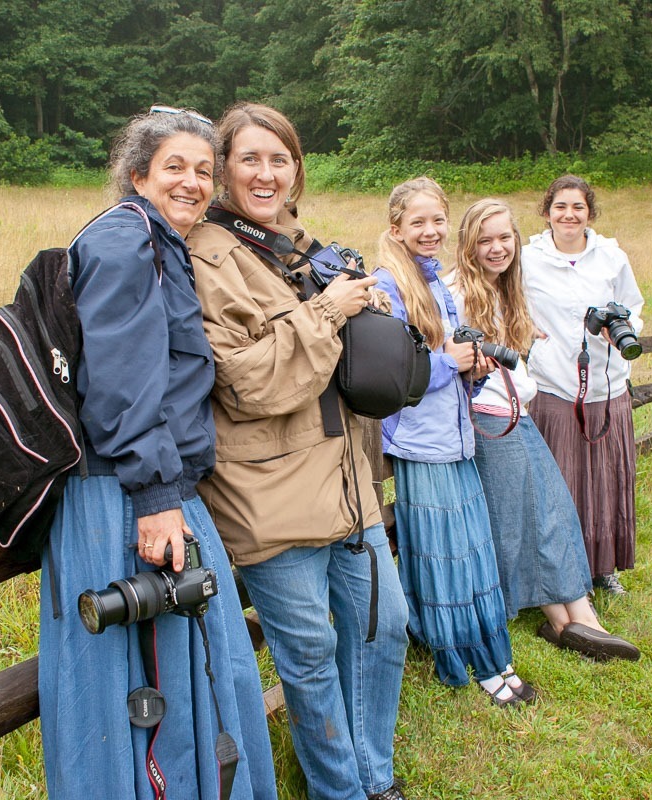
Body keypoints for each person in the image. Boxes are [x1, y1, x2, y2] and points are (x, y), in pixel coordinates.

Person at [38, 107, 277, 800]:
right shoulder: (125, 241)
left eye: (204, 171)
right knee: (142, 684)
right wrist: (154, 501)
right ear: (136, 173)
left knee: (186, 670)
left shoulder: (156, 240)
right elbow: (120, 383)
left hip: (153, 489)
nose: (193, 182)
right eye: (175, 166)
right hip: (126, 495)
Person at [187, 102, 409, 800]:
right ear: (224, 167)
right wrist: (328, 313)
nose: (265, 172)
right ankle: (341, 791)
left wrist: (365, 314)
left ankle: (374, 777)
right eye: (249, 158)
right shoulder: (206, 255)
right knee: (309, 656)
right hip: (268, 497)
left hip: (348, 484)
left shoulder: (311, 249)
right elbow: (245, 381)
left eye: (279, 158)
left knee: (385, 628)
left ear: (297, 169)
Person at [445, 198, 640, 661]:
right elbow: (443, 357)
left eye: (504, 238)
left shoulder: (504, 289)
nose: (497, 248)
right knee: (534, 516)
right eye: (485, 240)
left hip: (517, 411)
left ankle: (577, 619)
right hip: (489, 418)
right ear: (468, 244)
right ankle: (568, 620)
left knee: (552, 509)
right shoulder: (456, 291)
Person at [373, 177, 536, 708]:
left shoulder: (436, 284)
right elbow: (391, 373)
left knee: (471, 550)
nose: (430, 231)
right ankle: (463, 655)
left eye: (437, 220)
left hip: (457, 437)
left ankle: (488, 651)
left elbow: (444, 360)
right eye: (417, 222)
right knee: (445, 556)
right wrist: (450, 363)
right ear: (395, 227)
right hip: (421, 443)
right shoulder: (388, 285)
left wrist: (472, 369)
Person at [522, 174, 645, 597]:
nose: (569, 215)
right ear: (547, 212)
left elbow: (634, 306)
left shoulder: (611, 257)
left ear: (589, 212)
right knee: (563, 483)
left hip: (607, 390)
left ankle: (603, 568)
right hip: (554, 388)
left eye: (578, 207)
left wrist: (622, 327)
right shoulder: (528, 259)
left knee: (606, 481)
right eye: (560, 207)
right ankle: (564, 571)